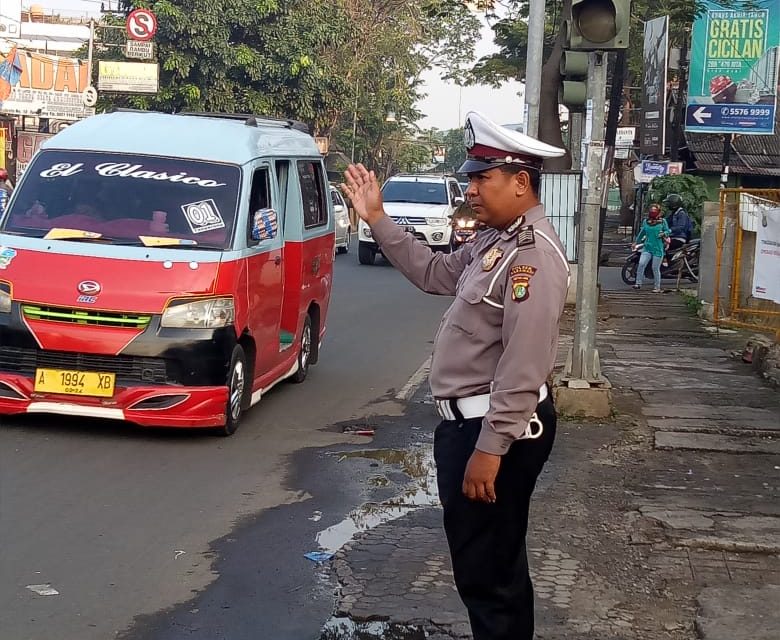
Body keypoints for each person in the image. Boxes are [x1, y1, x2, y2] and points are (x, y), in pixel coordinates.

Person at [342, 111, 570, 640]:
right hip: (471, 426)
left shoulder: (531, 258)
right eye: (469, 177)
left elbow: (523, 363)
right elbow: (433, 271)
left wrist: (490, 450)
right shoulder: (496, 242)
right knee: (487, 565)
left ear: (521, 182)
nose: (470, 189)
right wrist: (377, 218)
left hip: (494, 429)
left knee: (489, 572)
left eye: (481, 178)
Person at [632, 203, 670, 292]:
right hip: (647, 247)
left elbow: (668, 231)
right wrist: (636, 242)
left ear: (658, 212)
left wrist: (663, 234)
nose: (653, 212)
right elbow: (642, 233)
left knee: (655, 268)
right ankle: (638, 283)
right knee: (641, 264)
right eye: (651, 210)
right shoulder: (646, 222)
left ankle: (657, 287)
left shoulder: (663, 221)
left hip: (658, 248)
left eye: (655, 211)